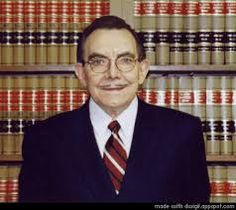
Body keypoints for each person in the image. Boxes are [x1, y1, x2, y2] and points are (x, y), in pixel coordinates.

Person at [19, 15, 210, 202]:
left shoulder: (183, 133)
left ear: (142, 71)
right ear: (81, 74)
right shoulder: (43, 139)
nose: (113, 74)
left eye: (125, 60)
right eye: (98, 62)